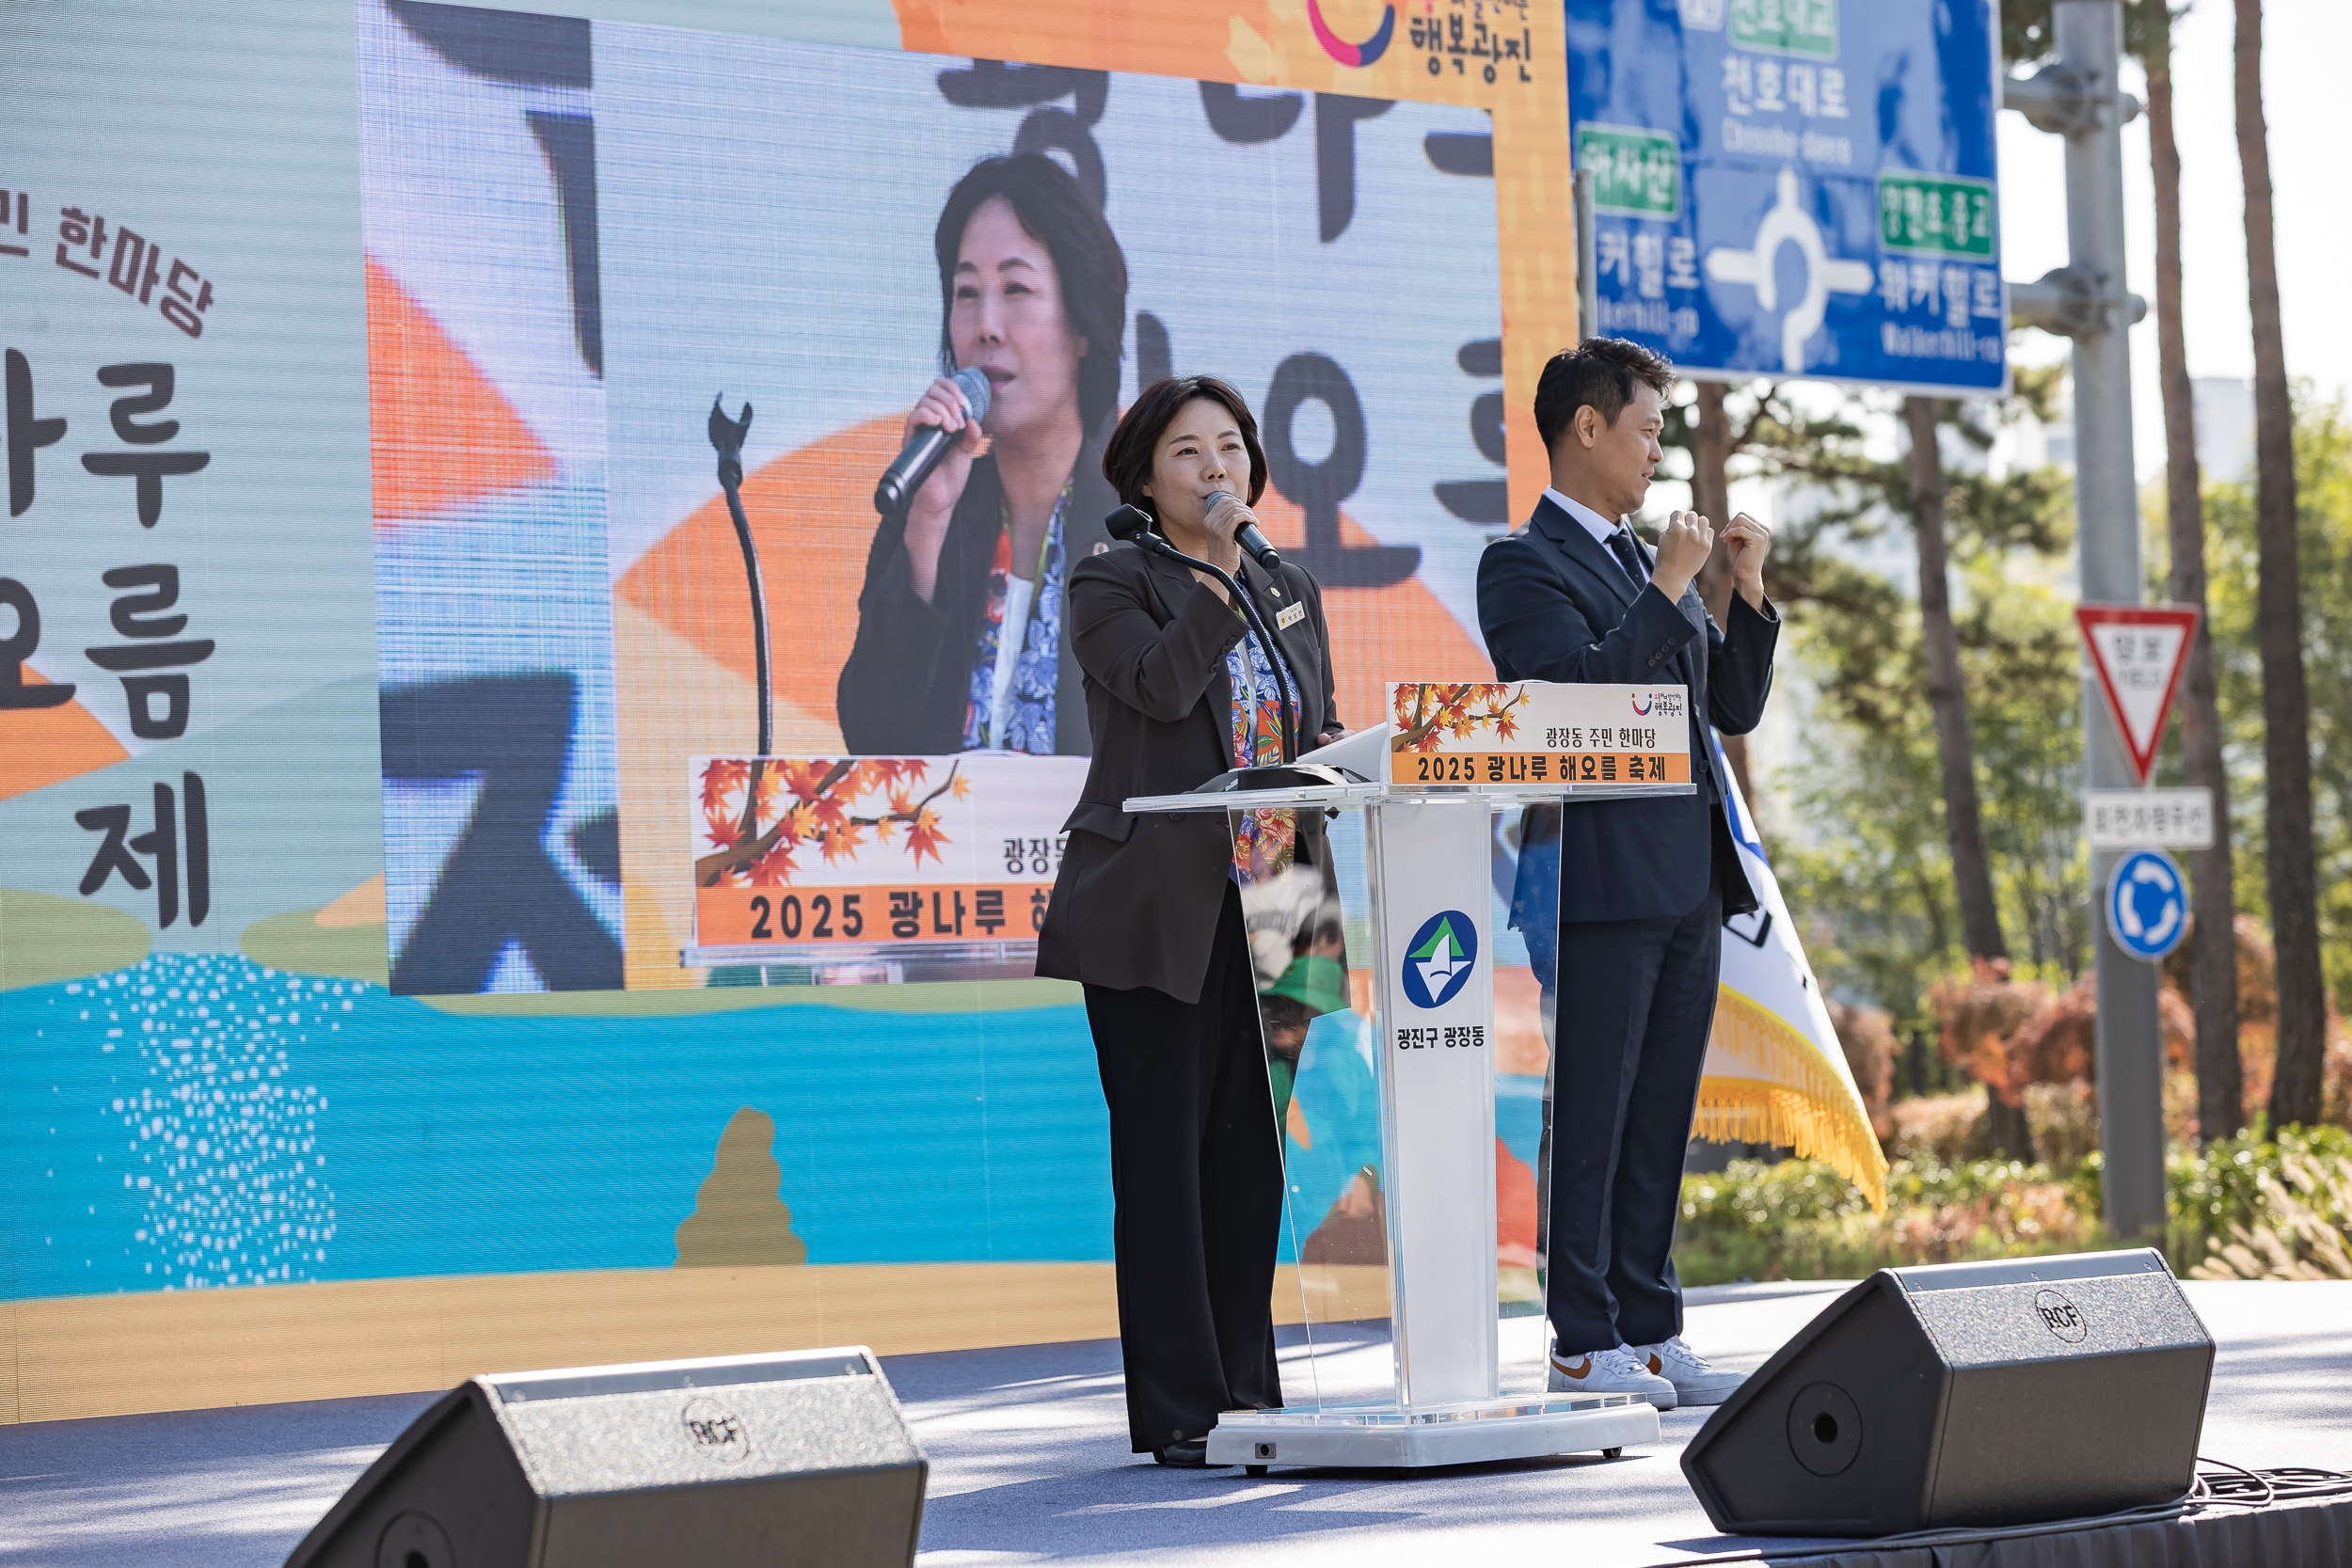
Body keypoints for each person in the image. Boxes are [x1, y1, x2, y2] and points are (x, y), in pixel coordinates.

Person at [1036, 374, 1345, 1466]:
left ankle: (1245, 1391)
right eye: (1187, 453)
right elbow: (1162, 691)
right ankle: (1177, 1406)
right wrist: (1215, 574)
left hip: (1283, 902)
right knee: (1163, 1158)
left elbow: (1322, 727)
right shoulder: (1108, 578)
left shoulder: (1288, 581)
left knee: (1250, 1159)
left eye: (1230, 448)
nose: (1216, 468)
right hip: (1154, 906)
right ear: (1142, 476)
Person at [1475, 338, 1778, 1411]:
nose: (1658, 448)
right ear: (1587, 427)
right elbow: (1565, 698)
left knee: (1659, 1112)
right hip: (1594, 878)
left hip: (1688, 873)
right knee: (1593, 1110)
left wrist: (1739, 590)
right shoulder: (1521, 560)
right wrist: (1669, 586)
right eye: (1646, 426)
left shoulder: (1652, 560)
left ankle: (1649, 1329)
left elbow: (1726, 708)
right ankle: (1579, 1338)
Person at [836, 153, 1126, 754]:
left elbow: (1250, 772)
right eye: (966, 292)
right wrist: (926, 529)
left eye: (1016, 288)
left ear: (1083, 324)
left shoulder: (1154, 529)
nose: (986, 325)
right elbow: (871, 743)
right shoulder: (932, 511)